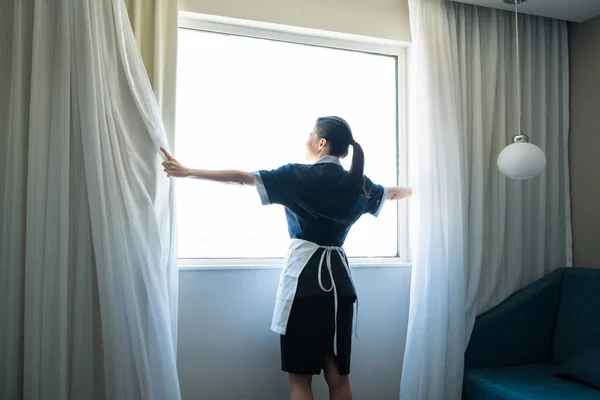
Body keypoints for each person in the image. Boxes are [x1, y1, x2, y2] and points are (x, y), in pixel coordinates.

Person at [161, 116, 412, 400]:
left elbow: (242, 178)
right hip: (340, 289)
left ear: (321, 143)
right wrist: (419, 190)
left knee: (300, 381)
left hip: (304, 286)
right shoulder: (358, 183)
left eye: (310, 134)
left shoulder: (297, 175)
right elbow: (392, 194)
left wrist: (188, 171)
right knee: (339, 379)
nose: (305, 140)